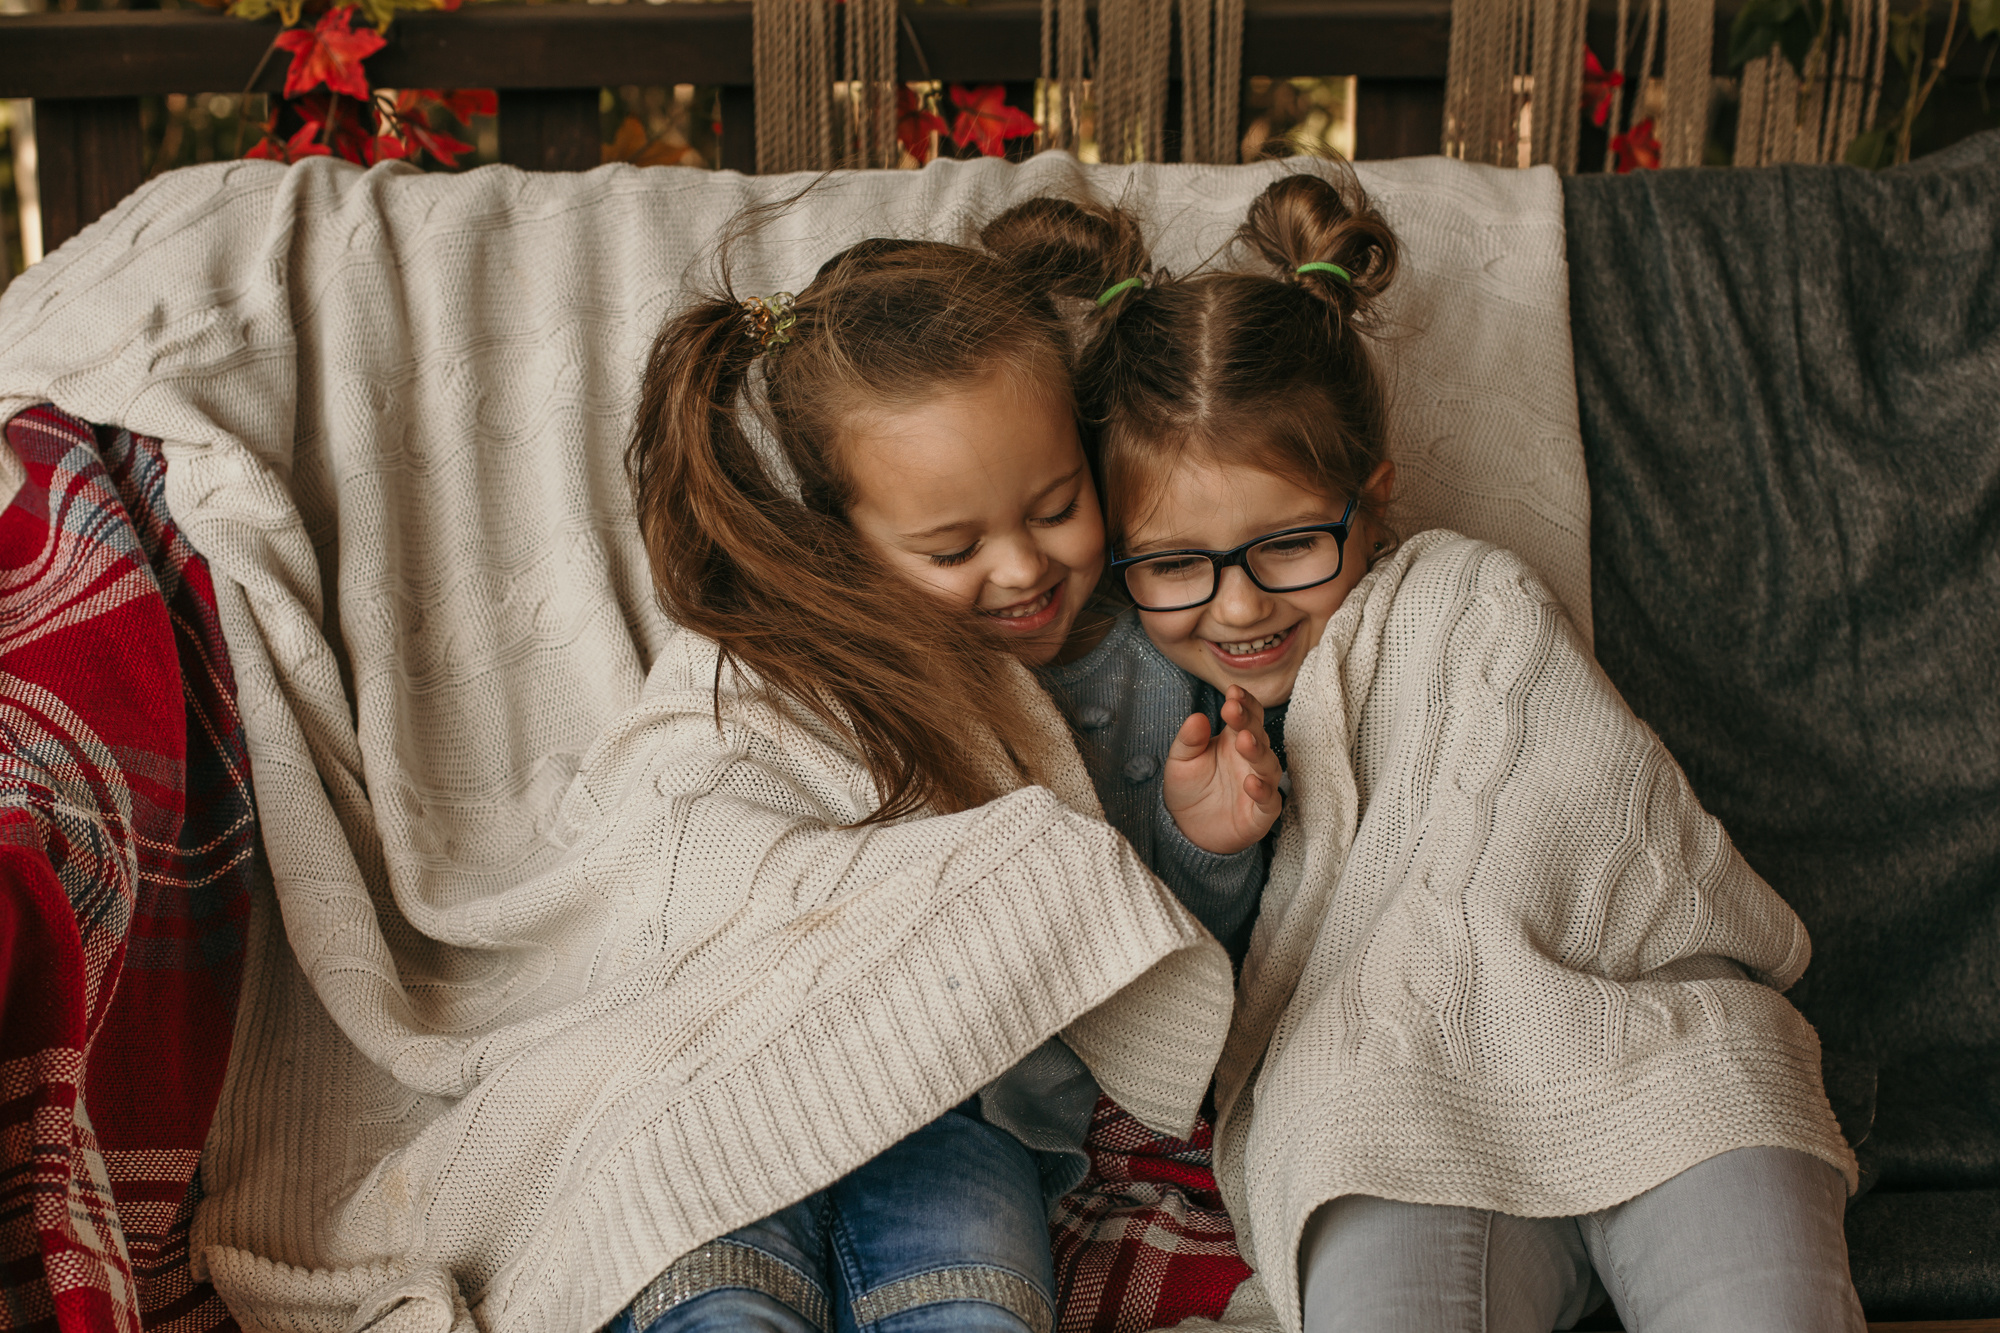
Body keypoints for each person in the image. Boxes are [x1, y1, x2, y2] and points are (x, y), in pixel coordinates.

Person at [978, 170, 1867, 1333]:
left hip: (1637, 1035)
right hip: (1381, 1090)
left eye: (1288, 543)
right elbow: (1148, 1018)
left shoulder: (1465, 600)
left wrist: (1480, 958)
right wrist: (1210, 847)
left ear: (1371, 500)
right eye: (1175, 563)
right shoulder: (1124, 712)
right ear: (1116, 552)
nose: (1238, 606)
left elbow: (1584, 808)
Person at [611, 227, 1245, 1333]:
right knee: (713, 1310)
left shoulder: (1149, 670)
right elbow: (679, 860)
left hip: (974, 1108)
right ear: (842, 532)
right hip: (734, 1080)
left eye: (1055, 508)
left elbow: (1150, 951)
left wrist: (1208, 843)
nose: (1021, 567)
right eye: (952, 549)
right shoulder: (771, 661)